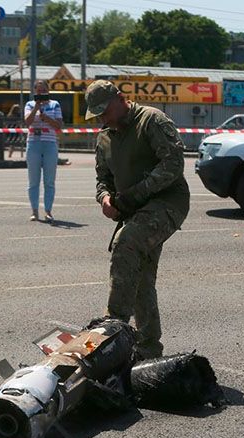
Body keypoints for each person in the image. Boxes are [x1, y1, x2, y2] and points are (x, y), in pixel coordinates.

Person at [86, 80, 190, 359]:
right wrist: (105, 199)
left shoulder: (151, 120)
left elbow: (173, 165)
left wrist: (133, 195)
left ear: (121, 99)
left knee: (127, 242)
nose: (102, 119)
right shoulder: (105, 137)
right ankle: (148, 349)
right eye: (97, 115)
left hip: (168, 203)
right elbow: (102, 180)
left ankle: (113, 328)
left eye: (105, 112)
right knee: (141, 277)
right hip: (135, 209)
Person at [24, 80, 62, 222]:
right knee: (33, 180)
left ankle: (48, 211)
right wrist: (36, 108)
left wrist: (46, 118)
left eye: (43, 90)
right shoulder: (29, 104)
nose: (40, 93)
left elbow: (58, 125)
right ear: (34, 92)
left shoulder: (55, 104)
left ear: (48, 91)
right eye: (38, 91)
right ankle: (34, 210)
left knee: (49, 180)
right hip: (33, 143)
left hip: (50, 143)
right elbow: (27, 122)